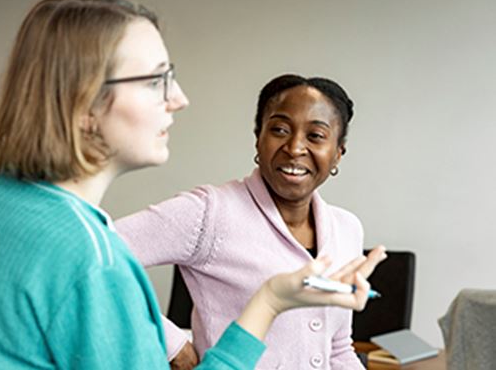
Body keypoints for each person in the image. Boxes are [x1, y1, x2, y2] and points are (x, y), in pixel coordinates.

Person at [0, 0, 386, 370]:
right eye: (156, 80)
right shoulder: (94, 259)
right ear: (83, 100)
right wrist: (266, 303)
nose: (179, 99)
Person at [115, 74, 379, 369]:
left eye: (315, 136)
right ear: (258, 138)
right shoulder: (210, 212)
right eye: (279, 130)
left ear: (338, 153)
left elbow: (338, 347)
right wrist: (170, 344)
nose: (294, 147)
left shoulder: (347, 228)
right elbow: (91, 256)